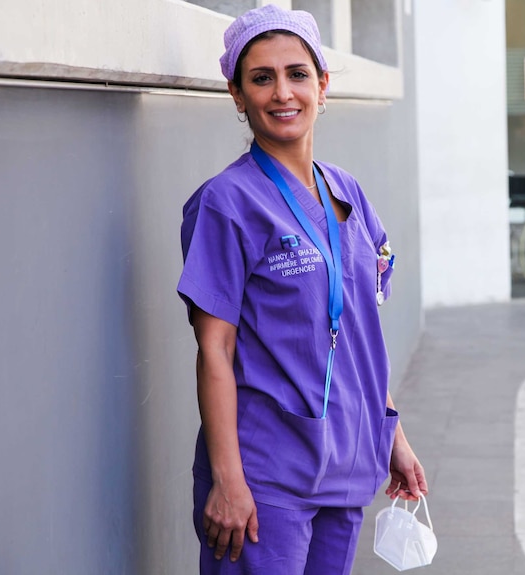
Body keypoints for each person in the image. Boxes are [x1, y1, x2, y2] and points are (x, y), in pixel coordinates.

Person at [176, 6, 427, 574]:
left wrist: (393, 438)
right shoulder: (227, 203)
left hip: (346, 468)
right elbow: (213, 350)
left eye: (297, 74)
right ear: (238, 96)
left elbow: (358, 334)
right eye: (261, 78)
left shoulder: (348, 192)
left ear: (323, 86)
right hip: (266, 480)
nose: (282, 92)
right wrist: (228, 481)